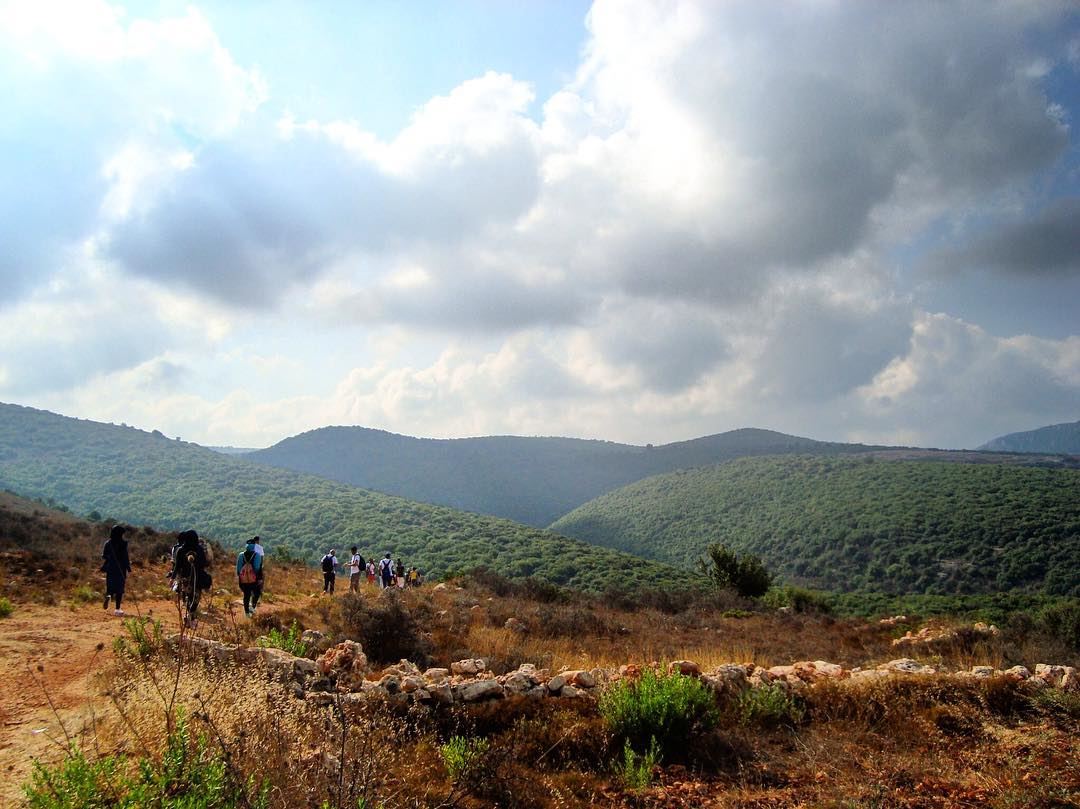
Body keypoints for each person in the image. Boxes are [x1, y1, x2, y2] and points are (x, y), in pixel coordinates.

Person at [171, 529, 210, 627]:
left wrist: (172, 578)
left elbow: (177, 566)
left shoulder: (180, 550)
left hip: (185, 579)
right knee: (195, 599)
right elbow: (204, 563)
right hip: (198, 579)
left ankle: (189, 617)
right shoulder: (199, 549)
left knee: (187, 598)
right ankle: (190, 617)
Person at [101, 524, 131, 616]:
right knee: (119, 589)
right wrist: (128, 568)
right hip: (120, 569)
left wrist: (110, 558)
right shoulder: (123, 544)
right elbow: (125, 557)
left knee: (110, 584)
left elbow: (104, 556)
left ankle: (108, 596)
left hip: (110, 568)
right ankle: (117, 609)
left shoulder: (108, 543)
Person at [236, 537, 263, 617]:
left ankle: (246, 613)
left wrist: (241, 577)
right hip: (254, 580)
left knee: (246, 595)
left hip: (243, 579)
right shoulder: (256, 555)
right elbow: (257, 568)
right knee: (257, 593)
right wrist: (258, 578)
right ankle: (252, 607)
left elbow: (238, 569)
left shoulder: (241, 555)